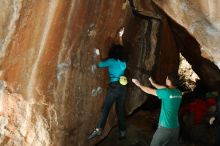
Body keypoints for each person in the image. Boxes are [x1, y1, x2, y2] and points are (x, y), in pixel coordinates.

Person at [88, 44, 128, 140]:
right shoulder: (123, 62)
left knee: (105, 109)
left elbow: (99, 64)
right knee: (120, 110)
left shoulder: (111, 61)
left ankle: (98, 129)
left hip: (114, 86)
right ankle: (123, 132)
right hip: (123, 87)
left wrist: (97, 54)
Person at [132, 73, 182, 146]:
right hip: (175, 128)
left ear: (170, 81)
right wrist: (153, 83)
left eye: (167, 78)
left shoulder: (166, 92)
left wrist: (138, 84)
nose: (166, 79)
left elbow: (148, 90)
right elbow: (163, 88)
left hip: (164, 128)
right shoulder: (178, 92)